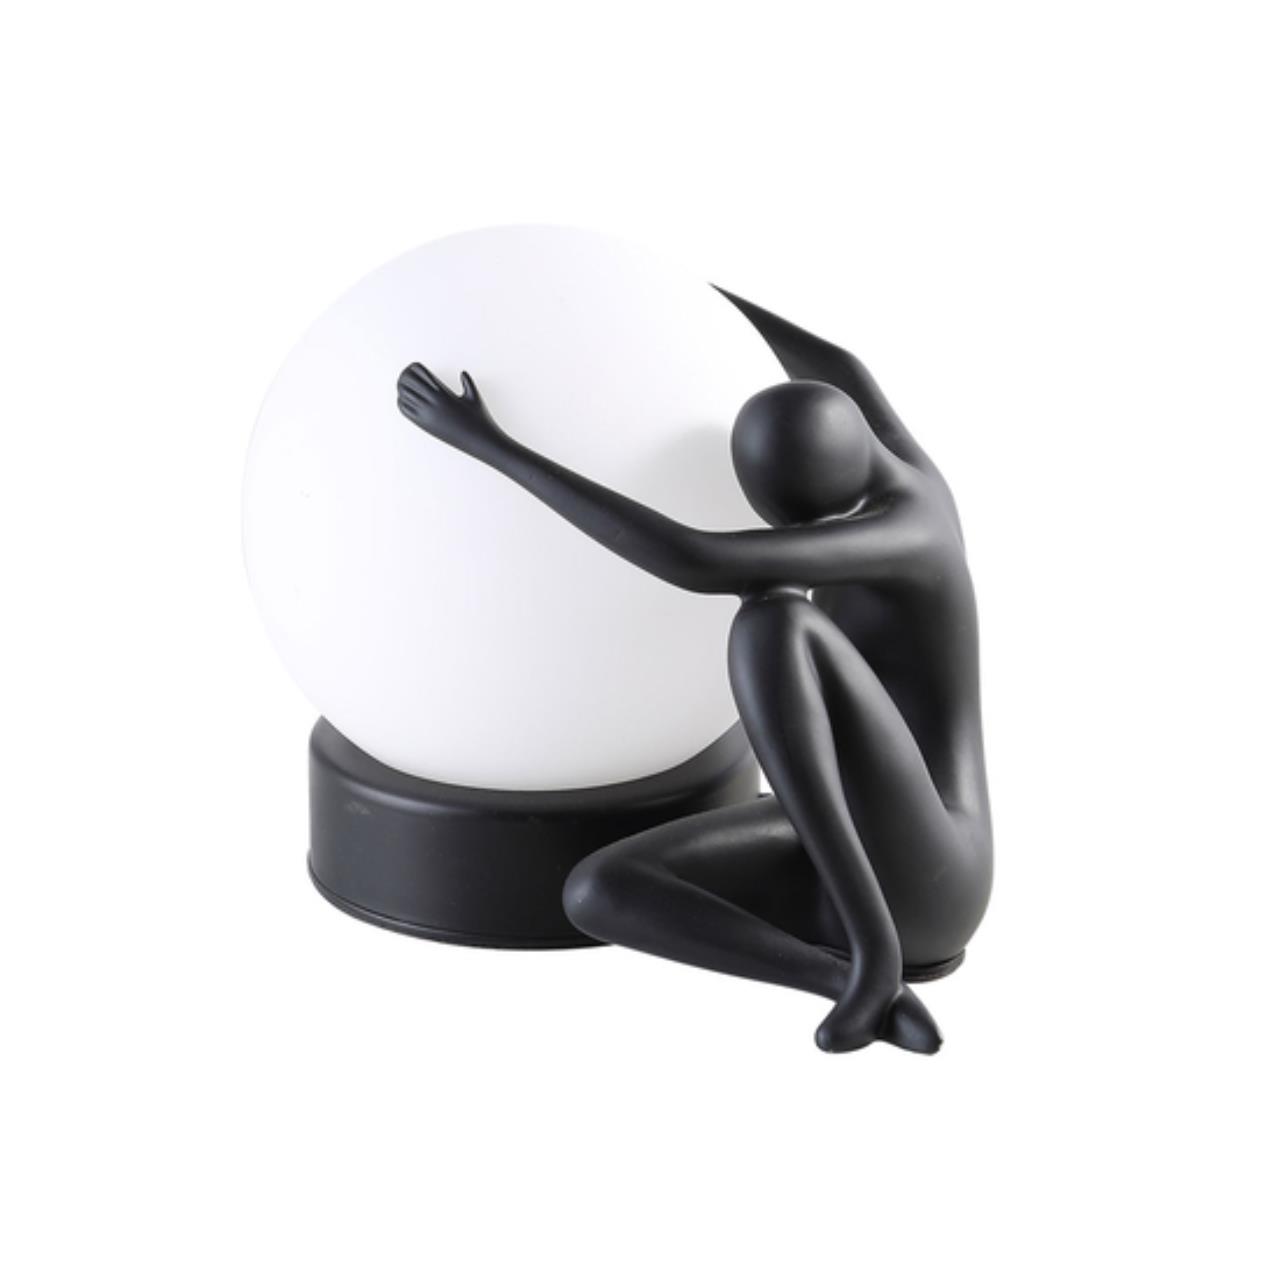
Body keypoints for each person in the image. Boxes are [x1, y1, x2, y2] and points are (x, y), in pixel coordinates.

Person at [396, 293, 992, 1053]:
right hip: (839, 833)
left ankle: (875, 951)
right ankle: (849, 983)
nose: (799, 539)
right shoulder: (881, 438)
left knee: (774, 621)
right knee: (598, 891)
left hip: (934, 876)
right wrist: (676, 288)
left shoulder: (910, 524)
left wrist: (490, 444)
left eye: (805, 526)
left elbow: (696, 559)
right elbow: (837, 361)